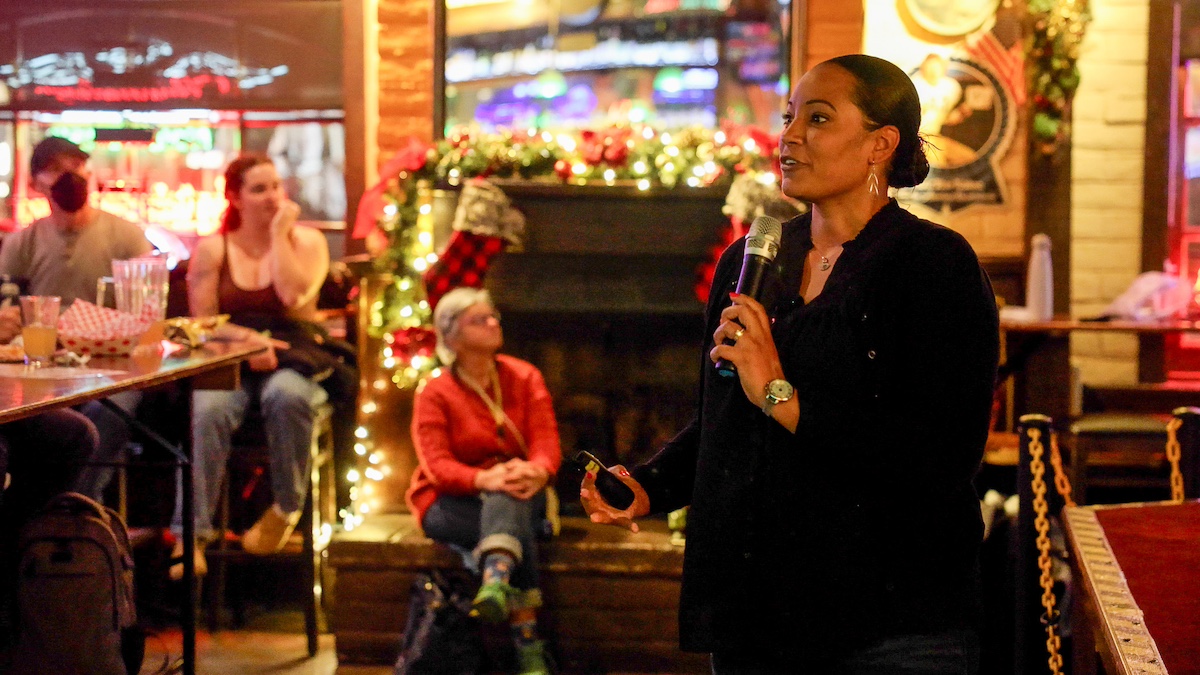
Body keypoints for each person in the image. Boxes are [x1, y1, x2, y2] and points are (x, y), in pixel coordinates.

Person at [581, 54, 1000, 673]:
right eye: (788, 117)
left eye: (819, 118)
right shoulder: (749, 262)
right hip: (757, 620)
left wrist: (781, 394)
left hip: (891, 623)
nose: (791, 136)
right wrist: (652, 484)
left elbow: (941, 456)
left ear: (880, 144)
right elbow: (724, 418)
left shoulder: (934, 265)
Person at [168, 154, 329, 580]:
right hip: (231, 354)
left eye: (276, 186)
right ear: (235, 198)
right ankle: (191, 535)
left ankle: (286, 508)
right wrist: (246, 343)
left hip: (294, 352)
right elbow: (203, 323)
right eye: (259, 189)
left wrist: (278, 235)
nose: (272, 197)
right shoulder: (214, 249)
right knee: (209, 408)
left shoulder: (308, 242)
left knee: (287, 396)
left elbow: (293, 296)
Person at [407, 287, 561, 675]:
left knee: (507, 498)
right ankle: (528, 647)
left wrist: (537, 470)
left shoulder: (524, 376)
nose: (493, 323)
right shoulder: (435, 391)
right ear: (451, 336)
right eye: (479, 320)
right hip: (450, 501)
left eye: (493, 316)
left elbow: (546, 443)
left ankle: (495, 577)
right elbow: (437, 466)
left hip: (521, 490)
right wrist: (483, 478)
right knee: (510, 514)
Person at [0, 136, 155, 504]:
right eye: (56, 169)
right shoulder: (23, 243)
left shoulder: (126, 236)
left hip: (112, 365)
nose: (70, 176)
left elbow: (148, 307)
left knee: (110, 410)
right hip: (43, 368)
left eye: (77, 166)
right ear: (37, 183)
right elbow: (6, 308)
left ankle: (74, 507)